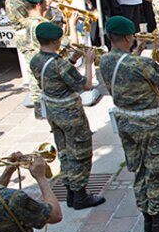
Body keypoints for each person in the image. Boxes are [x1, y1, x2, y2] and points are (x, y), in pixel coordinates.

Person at [99, 16, 159, 232]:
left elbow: (124, 68)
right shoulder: (142, 64)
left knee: (138, 168)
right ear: (128, 37)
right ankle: (157, 219)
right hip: (148, 123)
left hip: (125, 122)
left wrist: (136, 52)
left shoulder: (106, 60)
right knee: (157, 169)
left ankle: (146, 216)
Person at [30, 21, 105, 211]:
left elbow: (56, 77)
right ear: (56, 41)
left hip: (54, 111)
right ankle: (80, 195)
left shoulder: (36, 60)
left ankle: (70, 190)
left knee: (63, 150)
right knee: (80, 151)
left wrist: (71, 60)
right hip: (70, 113)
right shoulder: (59, 64)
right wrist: (87, 63)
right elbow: (86, 85)